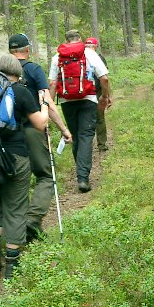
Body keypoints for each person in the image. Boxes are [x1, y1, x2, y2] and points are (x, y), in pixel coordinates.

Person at [0, 53, 49, 279]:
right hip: (14, 157)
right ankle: (12, 267)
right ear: (16, 72)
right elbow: (40, 125)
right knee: (15, 209)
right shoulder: (20, 91)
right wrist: (43, 104)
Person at [8, 33, 72, 242]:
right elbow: (47, 102)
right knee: (45, 176)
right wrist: (63, 128)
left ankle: (18, 230)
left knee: (18, 179)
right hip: (32, 130)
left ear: (10, 50)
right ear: (28, 49)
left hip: (6, 134)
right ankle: (33, 221)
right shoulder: (33, 69)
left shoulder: (0, 72)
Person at [49, 30, 111, 193]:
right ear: (80, 39)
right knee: (85, 136)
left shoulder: (57, 57)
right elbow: (104, 78)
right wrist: (105, 97)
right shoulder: (89, 53)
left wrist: (48, 106)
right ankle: (83, 178)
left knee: (76, 135)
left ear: (66, 40)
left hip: (67, 102)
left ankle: (81, 172)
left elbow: (52, 82)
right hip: (88, 99)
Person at [85, 37, 109, 152]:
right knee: (100, 118)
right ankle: (102, 144)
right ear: (96, 46)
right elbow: (104, 78)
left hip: (83, 93)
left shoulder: (80, 57)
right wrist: (106, 96)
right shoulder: (99, 58)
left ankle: (85, 146)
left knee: (85, 119)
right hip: (97, 91)